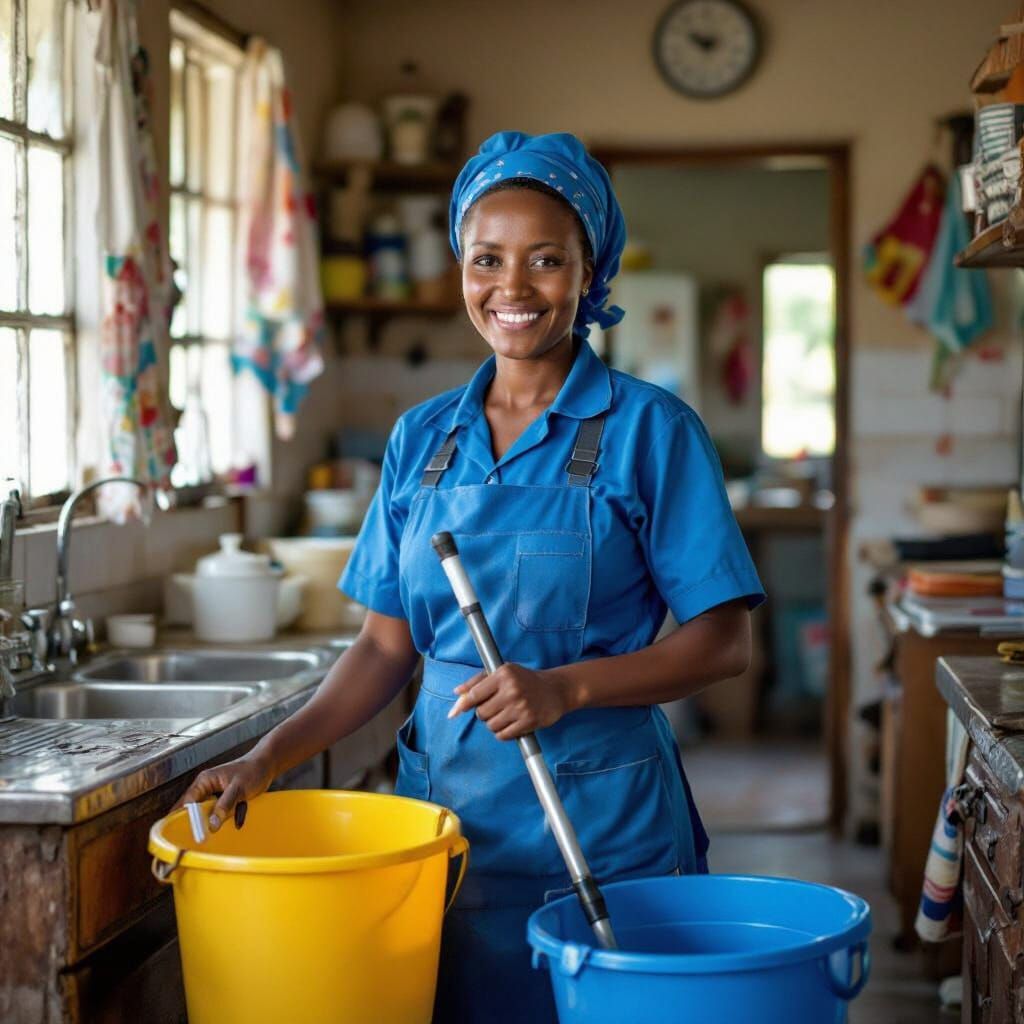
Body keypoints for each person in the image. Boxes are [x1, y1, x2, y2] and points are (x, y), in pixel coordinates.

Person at [178, 130, 765, 1022]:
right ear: (460, 265)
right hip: (449, 827)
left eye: (546, 260)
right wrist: (264, 761)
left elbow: (724, 641)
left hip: (607, 833)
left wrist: (565, 688)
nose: (513, 288)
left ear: (589, 270)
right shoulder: (422, 440)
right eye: (486, 259)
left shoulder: (653, 430)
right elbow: (383, 649)